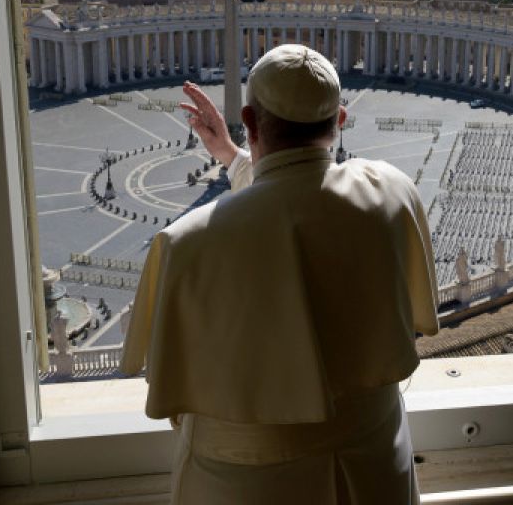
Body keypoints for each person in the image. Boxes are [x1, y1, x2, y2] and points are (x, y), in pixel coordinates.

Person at [120, 45, 439, 505]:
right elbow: (304, 195)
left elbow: (276, 205)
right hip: (375, 466)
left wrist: (236, 154)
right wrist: (231, 157)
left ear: (249, 121)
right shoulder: (392, 191)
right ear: (341, 119)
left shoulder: (184, 244)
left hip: (243, 485)